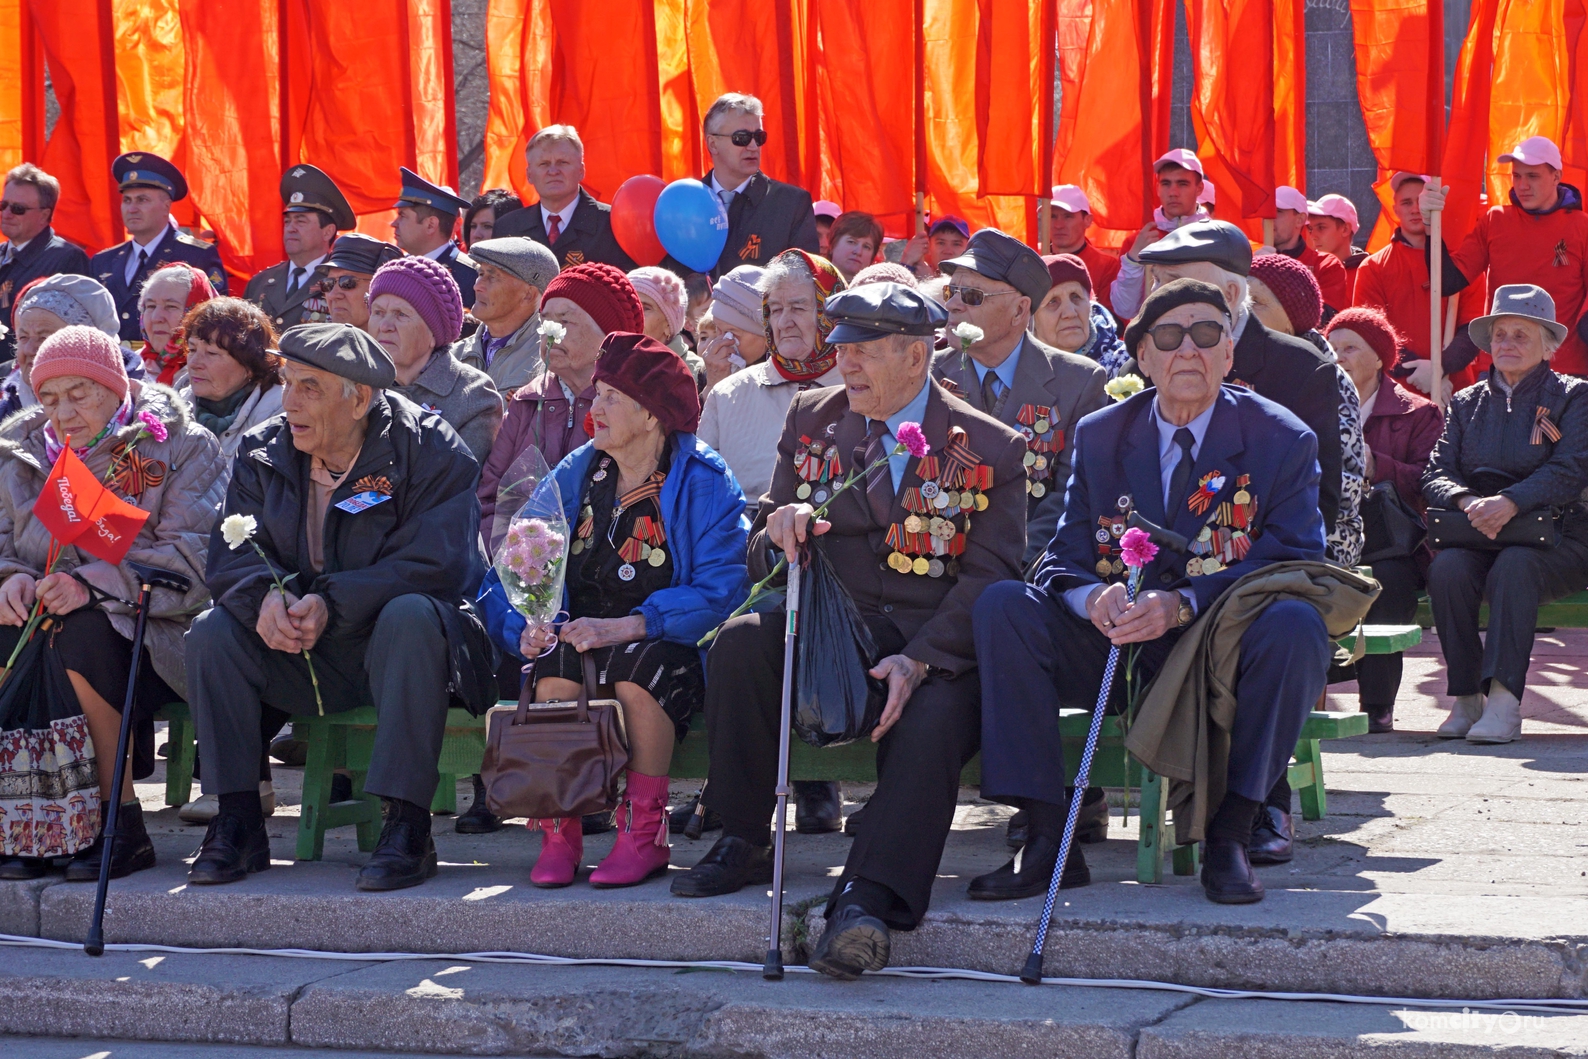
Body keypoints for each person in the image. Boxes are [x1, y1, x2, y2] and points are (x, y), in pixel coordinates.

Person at [670, 282, 1029, 983]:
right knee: (743, 640)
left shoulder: (989, 444)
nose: (848, 366)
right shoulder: (814, 417)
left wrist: (919, 660)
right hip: (831, 633)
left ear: (918, 355)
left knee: (931, 720)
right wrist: (778, 533)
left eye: (864, 352)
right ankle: (743, 834)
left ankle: (867, 904)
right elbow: (761, 542)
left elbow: (992, 576)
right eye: (843, 351)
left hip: (933, 648)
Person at [973, 278, 1334, 906]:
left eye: (1206, 335)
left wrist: (1185, 603)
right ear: (1143, 358)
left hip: (1215, 644)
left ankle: (1231, 834)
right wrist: (1090, 598)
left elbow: (1294, 559)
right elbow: (1063, 555)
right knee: (1004, 606)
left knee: (1296, 626)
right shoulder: (1103, 433)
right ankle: (1047, 836)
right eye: (1169, 337)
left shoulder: (1282, 440)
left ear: (1229, 354)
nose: (1187, 351)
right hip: (1116, 642)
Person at [185, 323, 491, 892]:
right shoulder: (263, 450)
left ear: (360, 399)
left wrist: (329, 602)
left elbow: (438, 563)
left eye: (310, 388)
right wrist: (267, 602)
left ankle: (407, 826)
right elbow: (229, 558)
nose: (290, 402)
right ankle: (237, 819)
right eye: (287, 383)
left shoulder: (429, 447)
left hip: (397, 654)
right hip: (301, 648)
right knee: (213, 631)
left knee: (412, 614)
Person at [486, 333, 748, 888]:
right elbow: (516, 562)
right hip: (580, 637)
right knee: (553, 666)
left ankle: (643, 833)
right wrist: (525, 625)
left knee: (637, 668)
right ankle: (560, 828)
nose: (594, 408)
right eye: (595, 394)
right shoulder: (577, 472)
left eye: (609, 397)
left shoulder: (702, 478)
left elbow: (724, 586)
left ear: (651, 416)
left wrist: (637, 622)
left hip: (666, 642)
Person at [0, 325, 224, 882]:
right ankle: (26, 822)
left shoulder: (179, 444)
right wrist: (11, 579)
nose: (64, 412)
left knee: (82, 632)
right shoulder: (19, 452)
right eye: (49, 397)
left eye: (80, 394)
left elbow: (195, 561)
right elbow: (4, 545)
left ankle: (115, 822)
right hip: (45, 621)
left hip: (153, 628)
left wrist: (94, 585)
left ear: (115, 386)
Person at [462, 262, 645, 836]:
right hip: (533, 570)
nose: (551, 334)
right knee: (492, 618)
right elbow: (494, 497)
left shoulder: (632, 403)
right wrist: (514, 561)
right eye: (548, 320)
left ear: (608, 333)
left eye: (567, 321)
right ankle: (503, 775)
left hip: (608, 572)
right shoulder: (528, 402)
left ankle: (587, 783)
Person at [1422, 285, 1588, 745]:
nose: (1507, 344)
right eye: (1500, 334)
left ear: (1549, 345)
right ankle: (1466, 698)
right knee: (1448, 569)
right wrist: (1465, 502)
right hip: (1478, 530)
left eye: (1521, 334)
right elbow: (1435, 471)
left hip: (1558, 536)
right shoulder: (1465, 402)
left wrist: (1511, 501)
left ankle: (1504, 701)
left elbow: (1570, 469)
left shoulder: (1575, 397)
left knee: (1516, 568)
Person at [1137, 222, 1348, 553]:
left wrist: (1209, 562)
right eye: (1156, 281)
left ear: (1231, 295)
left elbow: (1319, 503)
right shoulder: (1141, 365)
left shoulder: (1299, 370)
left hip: (1251, 573)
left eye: (1175, 283)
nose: (1158, 297)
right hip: (1146, 561)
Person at [933, 231, 1107, 564]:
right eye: (950, 291)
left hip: (1025, 570)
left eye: (971, 295)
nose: (953, 304)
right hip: (936, 566)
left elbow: (1070, 496)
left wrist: (1007, 565)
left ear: (1019, 310)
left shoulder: (1079, 382)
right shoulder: (930, 375)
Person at [1325, 307, 1441, 734]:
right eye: (1332, 347)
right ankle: (1311, 689)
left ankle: (1376, 705)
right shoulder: (1312, 404)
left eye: (1350, 347)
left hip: (1392, 538)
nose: (1339, 356)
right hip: (1329, 531)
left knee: (1386, 583)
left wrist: (1378, 465)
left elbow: (1431, 481)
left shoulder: (1419, 412)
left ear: (1380, 357)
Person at [1421, 137, 1588, 377]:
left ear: (1556, 176)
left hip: (1565, 372)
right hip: (1501, 370)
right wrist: (1430, 227)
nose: (1523, 185)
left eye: (1533, 176)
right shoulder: (1495, 220)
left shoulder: (1581, 226)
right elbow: (1448, 282)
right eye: (1517, 176)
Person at [697, 249, 845, 510]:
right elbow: (702, 494)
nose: (784, 322)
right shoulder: (727, 393)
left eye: (798, 308)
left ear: (830, 312)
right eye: (775, 309)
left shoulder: (860, 390)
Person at [1354, 172, 1487, 397]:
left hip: (1454, 391)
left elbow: (1473, 330)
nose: (1415, 209)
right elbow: (1371, 333)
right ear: (1395, 208)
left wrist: (1441, 369)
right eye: (1407, 202)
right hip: (1395, 395)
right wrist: (1420, 375)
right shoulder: (1373, 267)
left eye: (1422, 201)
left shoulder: (1463, 266)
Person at [367, 256, 502, 463]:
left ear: (434, 333)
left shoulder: (473, 396)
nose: (385, 325)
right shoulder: (355, 383)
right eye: (378, 312)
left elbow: (457, 482)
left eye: (401, 314)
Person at [91, 152, 228, 342]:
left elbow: (213, 320)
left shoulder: (196, 255)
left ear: (166, 206)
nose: (132, 209)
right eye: (127, 200)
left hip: (171, 365)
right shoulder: (103, 260)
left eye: (142, 200)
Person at [699, 94, 819, 275]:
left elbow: (805, 280)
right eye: (742, 138)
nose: (753, 146)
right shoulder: (684, 203)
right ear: (713, 144)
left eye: (759, 137)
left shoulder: (791, 204)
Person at [493, 126, 636, 270]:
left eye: (563, 162)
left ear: (581, 171)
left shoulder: (613, 224)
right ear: (529, 175)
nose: (553, 171)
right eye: (544, 164)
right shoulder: (508, 228)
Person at [2, 275, 141, 421]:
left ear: (89, 345)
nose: (29, 349)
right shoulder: (8, 410)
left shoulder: (139, 413)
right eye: (23, 337)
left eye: (44, 338)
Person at [243, 165, 354, 332]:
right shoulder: (260, 283)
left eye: (300, 221)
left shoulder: (344, 283)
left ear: (328, 231)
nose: (290, 228)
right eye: (287, 221)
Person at [0, 164, 91, 361]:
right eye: (3, 205)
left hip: (30, 377)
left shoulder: (67, 259)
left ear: (44, 215)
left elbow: (75, 335)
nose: (7, 213)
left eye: (18, 209)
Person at [177, 298, 285, 459]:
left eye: (212, 353)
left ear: (250, 365)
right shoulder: (171, 407)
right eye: (192, 349)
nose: (193, 364)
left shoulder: (280, 415)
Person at [1111, 149, 1212, 319]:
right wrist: (1134, 260)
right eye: (1166, 183)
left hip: (1204, 337)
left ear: (1199, 188)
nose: (1173, 192)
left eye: (1182, 184)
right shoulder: (1139, 241)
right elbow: (1125, 309)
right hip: (1152, 340)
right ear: (1157, 188)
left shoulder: (1216, 237)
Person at [453, 237, 559, 392]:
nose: (477, 286)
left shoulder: (550, 359)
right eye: (480, 274)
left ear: (528, 294)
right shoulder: (454, 355)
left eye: (492, 277)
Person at [389, 167, 477, 309]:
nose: (394, 224)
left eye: (403, 216)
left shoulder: (471, 276)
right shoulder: (395, 268)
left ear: (431, 225)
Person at [1030, 253, 1129, 377]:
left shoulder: (1125, 364)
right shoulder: (1016, 371)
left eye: (1076, 297)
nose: (1070, 313)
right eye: (1052, 301)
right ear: (1031, 319)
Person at [1269, 186, 1351, 318]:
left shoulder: (1326, 265)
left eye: (1278, 211)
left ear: (1300, 220)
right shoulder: (1252, 261)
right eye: (1266, 213)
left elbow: (1325, 317)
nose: (1269, 218)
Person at [138, 262, 218, 386]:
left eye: (171, 306)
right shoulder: (130, 366)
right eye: (150, 306)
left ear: (197, 314)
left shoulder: (215, 372)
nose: (156, 318)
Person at [1047, 185, 1121, 318]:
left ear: (1088, 221)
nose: (1058, 225)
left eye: (1067, 216)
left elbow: (1113, 321)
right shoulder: (1032, 258)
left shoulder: (1107, 265)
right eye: (1052, 216)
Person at [313, 233, 404, 332]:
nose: (333, 295)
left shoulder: (403, 346)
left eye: (347, 282)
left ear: (380, 289)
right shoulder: (316, 345)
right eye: (328, 284)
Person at [697, 265, 767, 392]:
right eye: (718, 329)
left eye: (731, 333)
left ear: (765, 336)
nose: (722, 340)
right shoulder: (711, 370)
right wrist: (712, 385)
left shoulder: (785, 377)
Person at [1308, 194, 1369, 279]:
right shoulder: (1308, 274)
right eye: (1310, 229)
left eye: (1321, 227)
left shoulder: (1369, 274)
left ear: (1345, 229)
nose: (1313, 236)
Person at [899, 217, 970, 282]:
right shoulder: (912, 275)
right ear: (928, 246)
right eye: (941, 243)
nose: (948, 251)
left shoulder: (975, 282)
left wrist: (928, 282)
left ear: (968, 249)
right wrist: (906, 260)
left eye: (956, 244)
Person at [827, 211, 883, 282]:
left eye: (866, 247)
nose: (858, 252)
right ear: (833, 243)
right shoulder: (811, 283)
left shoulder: (877, 291)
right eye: (851, 242)